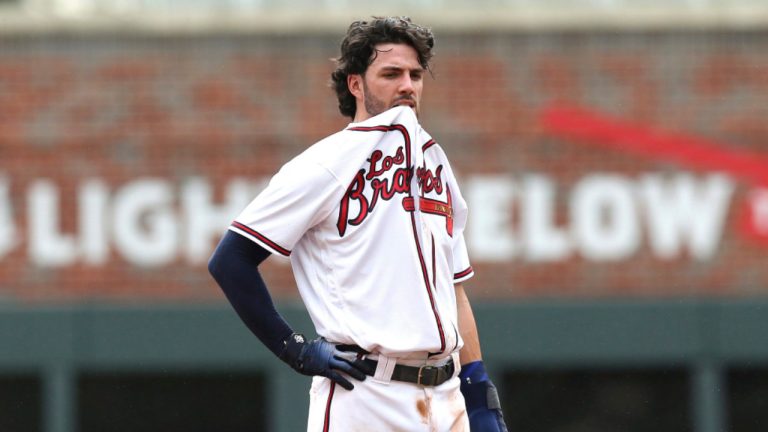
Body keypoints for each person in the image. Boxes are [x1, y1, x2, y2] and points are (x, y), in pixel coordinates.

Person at [208, 16, 507, 431]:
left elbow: (453, 287)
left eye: (415, 74)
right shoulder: (325, 163)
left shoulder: (435, 164)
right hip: (366, 392)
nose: (408, 85)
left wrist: (479, 391)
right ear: (356, 85)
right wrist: (293, 348)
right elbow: (231, 259)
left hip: (444, 393)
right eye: (391, 73)